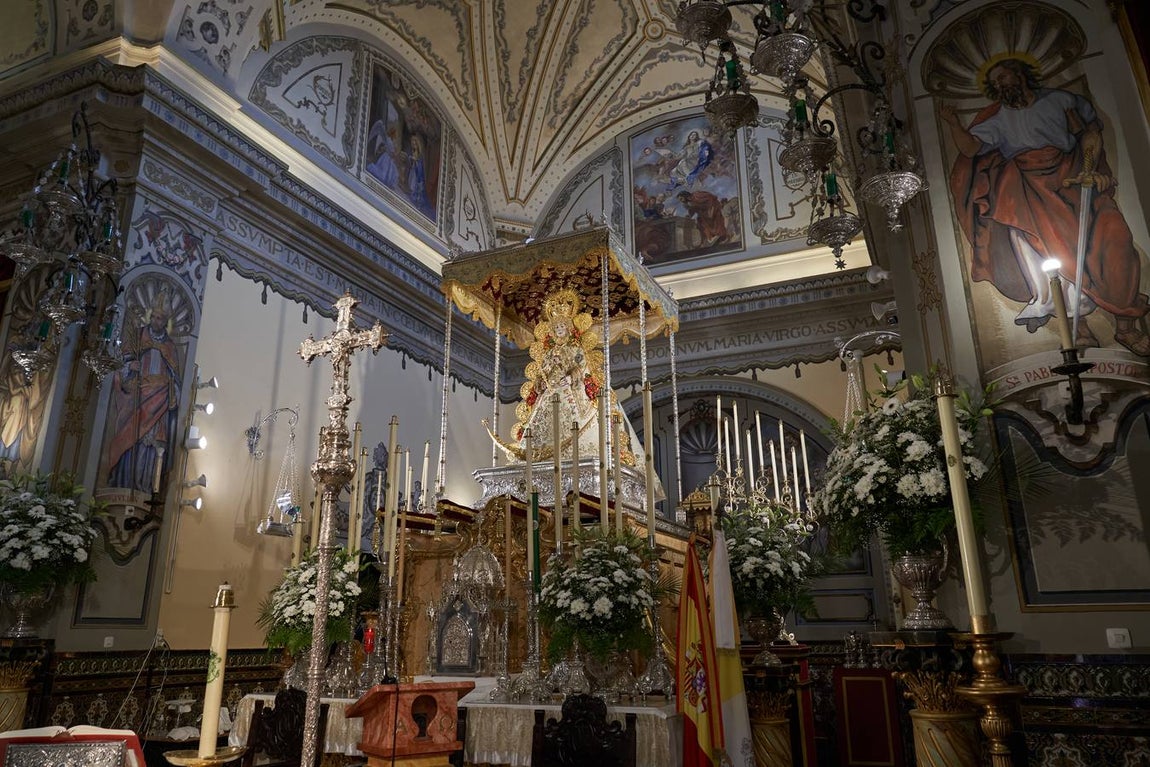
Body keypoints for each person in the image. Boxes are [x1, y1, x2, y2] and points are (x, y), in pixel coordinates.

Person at [942, 55, 1150, 355]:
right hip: (1031, 191)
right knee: (1054, 258)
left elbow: (1089, 132)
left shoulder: (1061, 100)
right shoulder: (999, 120)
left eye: (1005, 77)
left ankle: (1126, 328)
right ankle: (1079, 331)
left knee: (1116, 241)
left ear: (1022, 74)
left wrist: (1091, 167)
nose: (1002, 85)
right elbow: (972, 148)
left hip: (1074, 179)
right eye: (997, 83)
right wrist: (953, 124)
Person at [484, 288, 642, 469]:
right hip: (549, 393)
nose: (559, 330)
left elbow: (582, 367)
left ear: (568, 329)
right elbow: (542, 372)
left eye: (562, 327)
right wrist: (541, 382)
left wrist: (571, 377)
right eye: (556, 328)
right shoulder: (549, 353)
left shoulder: (576, 349)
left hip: (570, 392)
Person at [104, 290, 182, 493]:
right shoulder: (137, 336)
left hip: (160, 399)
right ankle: (124, 483)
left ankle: (146, 487)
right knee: (132, 438)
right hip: (138, 397)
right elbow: (121, 363)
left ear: (165, 322)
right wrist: (130, 367)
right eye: (154, 317)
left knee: (151, 445)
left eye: (160, 318)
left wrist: (173, 391)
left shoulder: (170, 347)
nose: (156, 321)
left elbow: (176, 377)